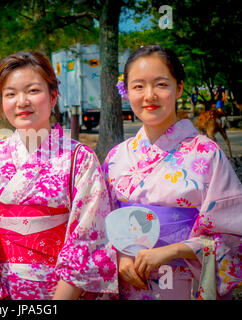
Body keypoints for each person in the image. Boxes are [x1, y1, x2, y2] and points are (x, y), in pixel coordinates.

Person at [0, 51, 117, 300]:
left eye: (32, 91)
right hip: (0, 293)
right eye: (10, 94)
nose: (21, 102)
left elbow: (86, 242)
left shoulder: (80, 159)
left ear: (53, 96)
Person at [102, 44, 242, 300]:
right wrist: (120, 255)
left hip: (185, 283)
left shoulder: (207, 154)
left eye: (161, 84)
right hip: (131, 283)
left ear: (179, 88)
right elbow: (100, 226)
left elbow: (234, 235)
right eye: (138, 86)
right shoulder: (116, 158)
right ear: (126, 92)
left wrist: (175, 249)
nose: (149, 95)